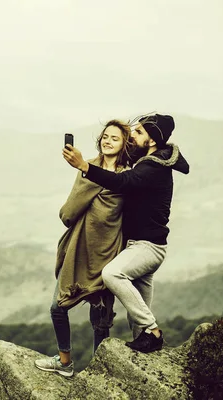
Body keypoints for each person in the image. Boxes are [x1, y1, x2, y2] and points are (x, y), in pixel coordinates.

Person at [62, 113, 190, 354]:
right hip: (141, 246)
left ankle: (154, 331)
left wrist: (84, 166)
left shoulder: (152, 167)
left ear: (152, 140)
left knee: (112, 274)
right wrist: (111, 140)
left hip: (147, 247)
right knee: (137, 321)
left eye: (139, 132)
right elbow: (118, 151)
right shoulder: (149, 159)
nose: (134, 135)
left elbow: (122, 181)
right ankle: (147, 347)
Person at [35, 119, 133, 377]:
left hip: (108, 251)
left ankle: (99, 373)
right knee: (58, 307)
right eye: (105, 136)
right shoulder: (88, 167)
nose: (107, 140)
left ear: (124, 144)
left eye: (115, 138)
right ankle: (65, 362)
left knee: (100, 319)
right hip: (80, 249)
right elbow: (69, 213)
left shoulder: (127, 176)